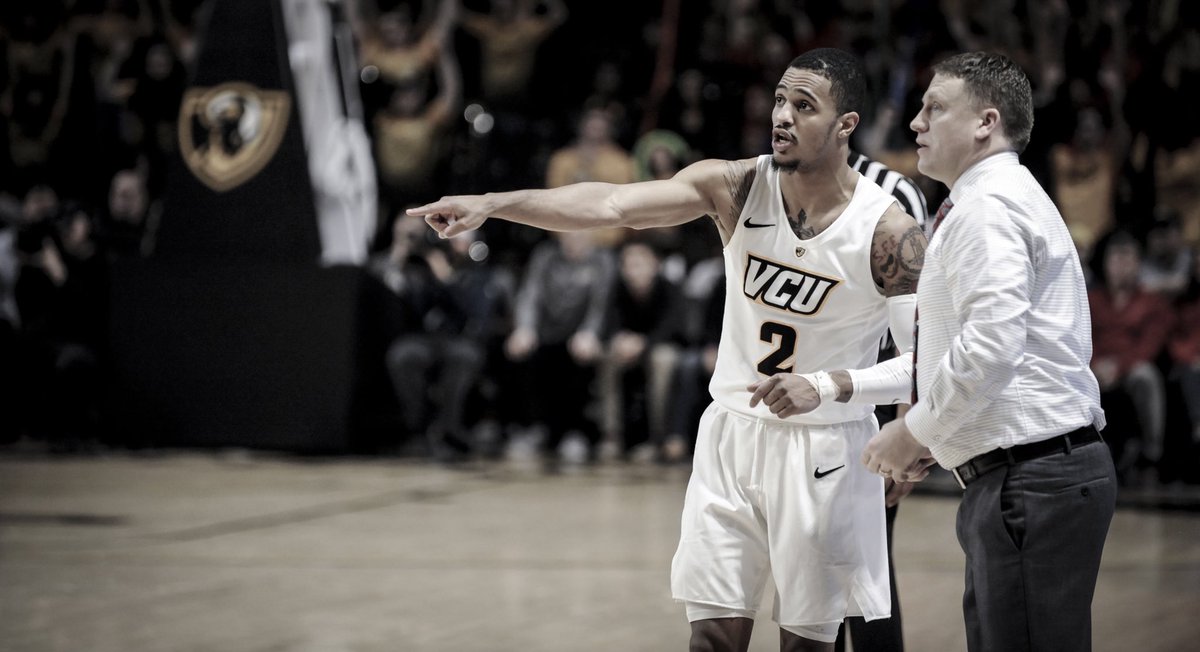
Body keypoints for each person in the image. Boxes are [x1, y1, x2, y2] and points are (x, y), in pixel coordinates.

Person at [410, 48, 927, 651]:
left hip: (825, 447)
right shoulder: (736, 185)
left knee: (806, 646)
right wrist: (494, 205)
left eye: (804, 106)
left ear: (846, 125)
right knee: (710, 639)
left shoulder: (888, 231)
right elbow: (610, 204)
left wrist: (829, 385)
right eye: (780, 100)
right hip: (731, 434)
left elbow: (925, 367)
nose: (782, 116)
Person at [862, 51, 1118, 652]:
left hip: (1032, 478)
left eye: (935, 108)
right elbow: (992, 349)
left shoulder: (988, 206)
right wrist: (941, 438)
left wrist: (915, 432)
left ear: (986, 122)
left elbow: (991, 348)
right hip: (1031, 474)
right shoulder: (995, 196)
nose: (916, 123)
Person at [834, 150, 929, 652]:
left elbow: (918, 325)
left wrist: (908, 425)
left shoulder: (896, 193)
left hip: (874, 400)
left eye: (805, 111)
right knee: (807, 566)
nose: (784, 118)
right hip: (802, 404)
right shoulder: (773, 180)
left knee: (867, 564)